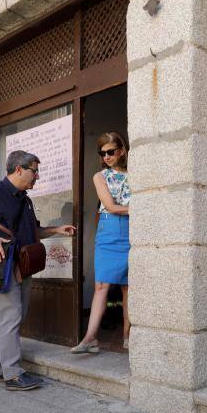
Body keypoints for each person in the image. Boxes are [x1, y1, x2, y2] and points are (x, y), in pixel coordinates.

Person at [0, 150, 76, 391]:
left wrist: (55, 230)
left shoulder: (25, 198)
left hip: (22, 265)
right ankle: (13, 374)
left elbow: (32, 232)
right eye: (35, 170)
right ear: (19, 169)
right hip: (2, 265)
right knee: (10, 316)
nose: (38, 176)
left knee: (12, 318)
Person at [71, 132, 130, 354]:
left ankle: (128, 335)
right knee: (101, 285)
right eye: (102, 153)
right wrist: (139, 210)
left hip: (132, 231)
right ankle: (90, 337)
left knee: (128, 287)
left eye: (111, 151)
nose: (106, 156)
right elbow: (111, 206)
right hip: (109, 230)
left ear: (122, 151)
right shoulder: (99, 176)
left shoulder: (136, 174)